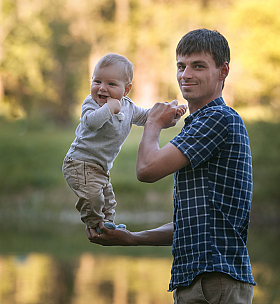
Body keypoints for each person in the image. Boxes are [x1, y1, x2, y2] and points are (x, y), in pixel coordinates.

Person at [86, 29, 256, 304]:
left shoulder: (217, 119)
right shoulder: (202, 124)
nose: (185, 75)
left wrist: (153, 122)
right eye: (181, 66)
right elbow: (195, 225)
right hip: (201, 282)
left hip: (214, 283)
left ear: (223, 71)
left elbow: (146, 170)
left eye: (197, 66)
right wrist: (132, 238)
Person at [62, 53, 187, 233]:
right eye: (97, 81)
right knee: (93, 198)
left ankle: (108, 226)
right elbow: (90, 123)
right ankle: (95, 225)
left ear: (126, 89)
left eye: (111, 84)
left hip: (101, 167)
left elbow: (147, 117)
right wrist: (109, 109)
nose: (102, 88)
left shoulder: (128, 106)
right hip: (80, 163)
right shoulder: (92, 104)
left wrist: (170, 111)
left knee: (109, 201)